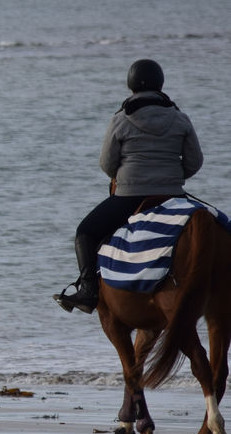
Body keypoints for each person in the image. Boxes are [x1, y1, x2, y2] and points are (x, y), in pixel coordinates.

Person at [55, 58, 203, 313]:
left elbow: (107, 164)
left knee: (85, 233)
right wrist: (171, 179)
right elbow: (194, 162)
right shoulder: (181, 118)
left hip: (129, 196)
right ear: (160, 84)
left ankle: (88, 292)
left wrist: (126, 179)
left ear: (131, 85)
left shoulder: (121, 120)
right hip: (173, 196)